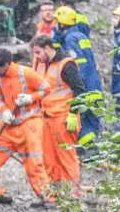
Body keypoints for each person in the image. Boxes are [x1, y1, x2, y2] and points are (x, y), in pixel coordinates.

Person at [0, 47, 55, 207]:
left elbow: (46, 88)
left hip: (29, 124)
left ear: (8, 63)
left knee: (34, 164)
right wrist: (4, 111)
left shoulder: (26, 73)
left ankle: (47, 198)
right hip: (9, 125)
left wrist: (30, 98)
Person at [31, 34, 83, 197]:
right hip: (46, 117)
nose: (36, 56)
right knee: (48, 158)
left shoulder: (66, 65)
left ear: (48, 48)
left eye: (38, 52)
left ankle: (72, 195)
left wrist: (74, 114)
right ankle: (53, 193)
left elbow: (80, 90)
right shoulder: (40, 64)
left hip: (64, 118)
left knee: (67, 157)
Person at [53, 5, 104, 144]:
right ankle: (93, 152)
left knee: (83, 121)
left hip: (85, 85)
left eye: (57, 21)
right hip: (94, 84)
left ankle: (86, 152)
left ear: (62, 23)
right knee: (92, 120)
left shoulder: (70, 40)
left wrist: (77, 87)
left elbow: (77, 66)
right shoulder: (80, 35)